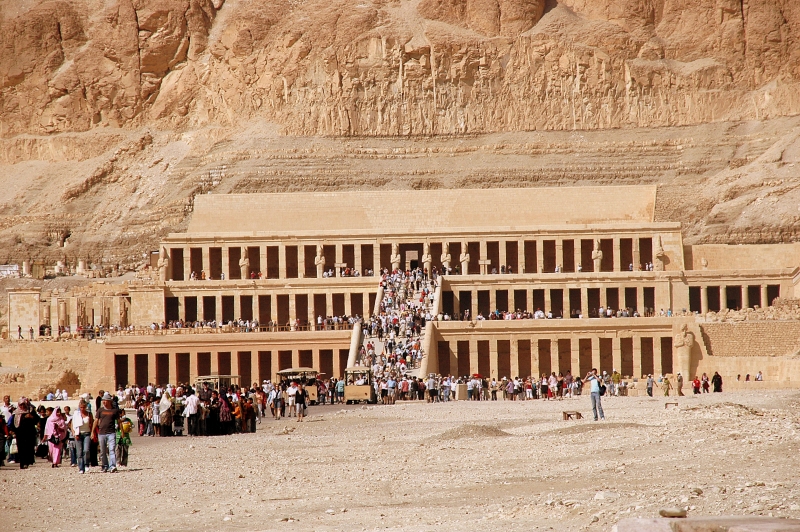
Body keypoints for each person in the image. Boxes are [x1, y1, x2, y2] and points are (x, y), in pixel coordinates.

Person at [92, 392, 121, 473]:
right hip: (101, 433)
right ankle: (105, 466)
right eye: (103, 401)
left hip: (111, 433)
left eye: (105, 400)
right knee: (103, 451)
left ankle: (112, 466)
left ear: (109, 401)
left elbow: (119, 421)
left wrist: (121, 431)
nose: (104, 402)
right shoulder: (100, 410)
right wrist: (92, 432)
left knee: (112, 450)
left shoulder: (115, 411)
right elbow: (96, 421)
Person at [8, 398, 40, 469]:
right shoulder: (16, 412)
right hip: (20, 434)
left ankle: (27, 462)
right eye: (21, 405)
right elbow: (12, 423)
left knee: (29, 448)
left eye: (23, 404)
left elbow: (37, 419)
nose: (22, 406)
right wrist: (12, 431)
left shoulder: (30, 411)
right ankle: (22, 463)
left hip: (30, 433)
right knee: (21, 448)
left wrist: (31, 417)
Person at [72, 400, 93, 474]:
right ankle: (81, 467)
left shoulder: (89, 414)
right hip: (78, 434)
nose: (82, 409)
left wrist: (92, 433)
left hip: (87, 433)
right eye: (81, 407)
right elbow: (72, 424)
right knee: (79, 452)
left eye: (83, 407)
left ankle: (86, 464)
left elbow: (92, 423)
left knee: (86, 450)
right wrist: (74, 433)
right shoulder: (76, 414)